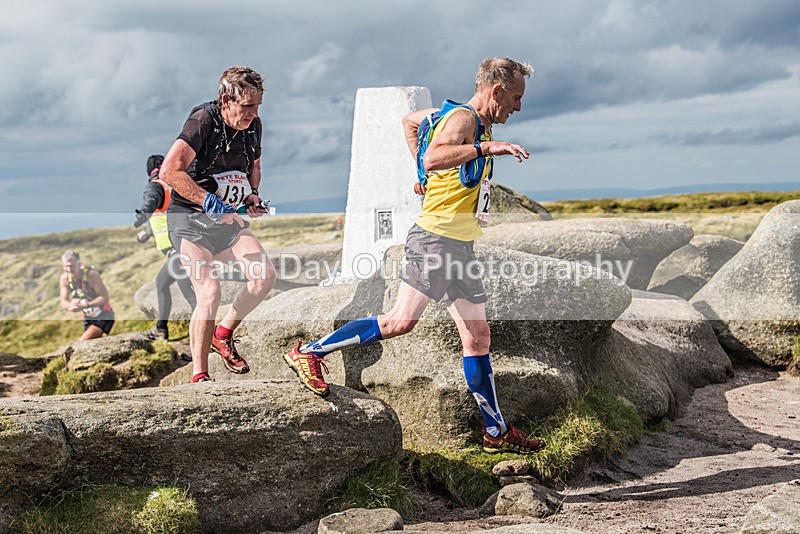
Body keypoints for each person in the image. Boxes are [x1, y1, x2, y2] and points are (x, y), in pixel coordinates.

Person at [285, 58, 544, 454]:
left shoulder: (455, 115)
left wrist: (425, 179)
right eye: (515, 97)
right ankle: (308, 352)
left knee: (478, 337)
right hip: (435, 240)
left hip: (459, 245)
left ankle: (495, 430)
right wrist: (480, 151)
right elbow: (434, 156)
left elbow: (410, 122)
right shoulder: (464, 119)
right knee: (400, 321)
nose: (518, 107)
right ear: (496, 91)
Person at [160, 65, 275, 383]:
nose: (253, 113)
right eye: (246, 106)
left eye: (257, 106)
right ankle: (200, 374)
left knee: (264, 277)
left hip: (226, 222)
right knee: (209, 292)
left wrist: (252, 195)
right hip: (190, 223)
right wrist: (208, 201)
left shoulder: (254, 126)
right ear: (226, 100)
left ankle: (222, 333)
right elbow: (169, 172)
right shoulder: (203, 120)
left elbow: (254, 165)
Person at [134, 154, 198, 341]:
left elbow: (152, 202)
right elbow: (165, 213)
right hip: (186, 244)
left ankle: (207, 339)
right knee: (163, 284)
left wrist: (142, 214)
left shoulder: (155, 185)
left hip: (177, 250)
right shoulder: (176, 184)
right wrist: (147, 232)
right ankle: (161, 329)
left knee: (193, 298)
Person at [59, 250, 115, 340]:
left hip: (104, 315)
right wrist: (70, 306)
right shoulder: (65, 279)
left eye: (72, 266)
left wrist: (87, 305)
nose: (69, 269)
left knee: (83, 341)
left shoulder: (91, 275)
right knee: (94, 345)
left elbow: (104, 297)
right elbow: (63, 301)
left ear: (80, 264)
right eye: (66, 266)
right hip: (87, 318)